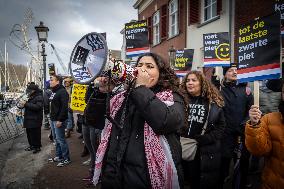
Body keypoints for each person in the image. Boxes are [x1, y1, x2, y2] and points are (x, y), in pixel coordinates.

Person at [93, 53, 185, 188]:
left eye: (149, 66)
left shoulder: (172, 97)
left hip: (144, 180)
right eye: (139, 65)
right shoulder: (122, 98)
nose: (142, 69)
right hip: (113, 175)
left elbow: (165, 123)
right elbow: (94, 121)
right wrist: (101, 93)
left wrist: (140, 88)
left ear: (161, 73)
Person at [180, 71, 225, 189]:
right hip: (181, 147)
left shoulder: (213, 103)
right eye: (188, 80)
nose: (190, 83)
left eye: (194, 80)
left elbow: (221, 127)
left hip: (203, 151)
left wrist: (207, 138)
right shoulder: (180, 100)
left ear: (202, 83)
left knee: (198, 181)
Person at [246, 78, 284, 189]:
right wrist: (255, 123)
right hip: (264, 121)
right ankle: (253, 168)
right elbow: (260, 149)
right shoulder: (269, 119)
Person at [220, 64, 253, 188]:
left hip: (242, 131)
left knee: (243, 159)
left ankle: (243, 181)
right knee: (225, 157)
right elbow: (218, 112)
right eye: (230, 70)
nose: (234, 72)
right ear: (225, 74)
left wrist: (244, 123)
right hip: (226, 132)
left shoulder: (246, 90)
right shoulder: (220, 91)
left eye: (236, 70)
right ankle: (224, 178)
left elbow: (250, 110)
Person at [82, 77, 115, 184]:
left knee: (98, 150)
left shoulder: (111, 88)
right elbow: (87, 99)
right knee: (91, 148)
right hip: (89, 120)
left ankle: (99, 174)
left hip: (99, 123)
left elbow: (108, 104)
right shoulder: (93, 86)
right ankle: (93, 171)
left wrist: (104, 89)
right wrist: (94, 87)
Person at [48, 75, 71, 167]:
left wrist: (60, 120)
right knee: (56, 139)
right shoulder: (54, 91)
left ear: (58, 81)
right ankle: (59, 156)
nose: (50, 81)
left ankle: (66, 158)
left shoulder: (62, 92)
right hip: (53, 119)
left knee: (61, 140)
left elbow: (64, 107)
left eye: (52, 80)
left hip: (58, 120)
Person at [20, 82, 43, 154]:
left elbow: (38, 107)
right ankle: (32, 145)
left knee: (35, 134)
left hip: (35, 118)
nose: (28, 91)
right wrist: (21, 105)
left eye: (29, 90)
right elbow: (23, 105)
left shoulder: (39, 97)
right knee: (29, 133)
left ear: (34, 90)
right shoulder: (28, 96)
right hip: (28, 117)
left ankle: (37, 147)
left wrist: (26, 104)